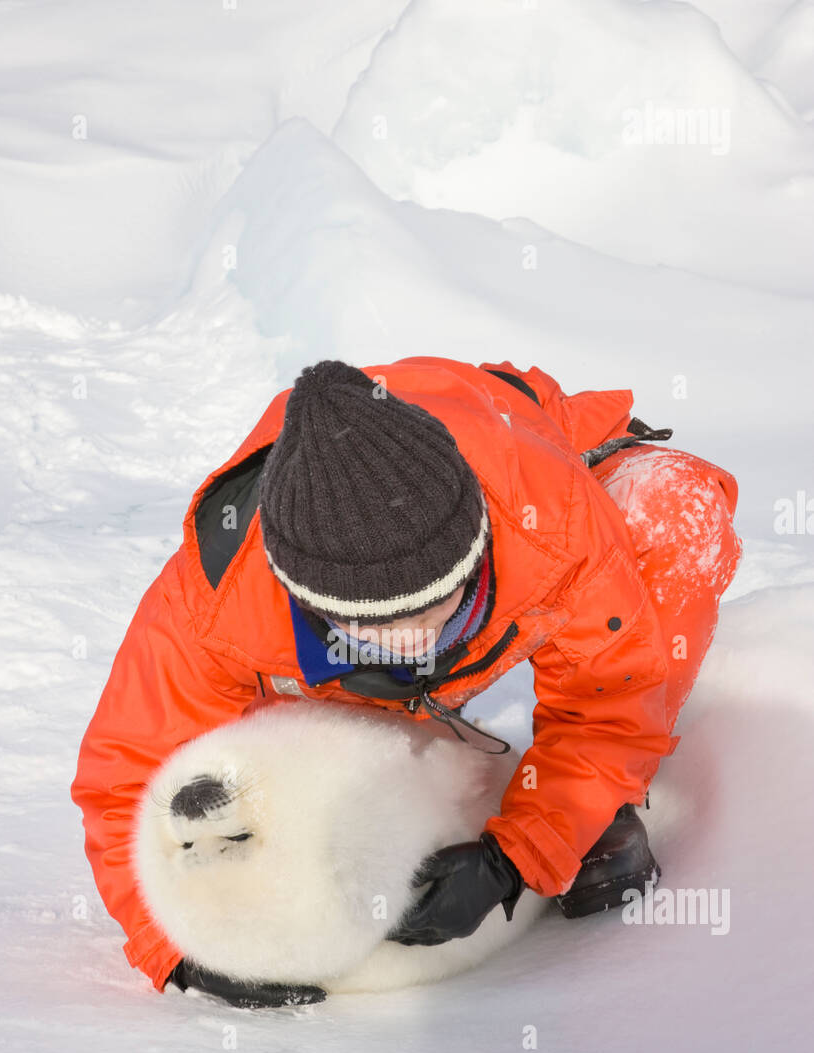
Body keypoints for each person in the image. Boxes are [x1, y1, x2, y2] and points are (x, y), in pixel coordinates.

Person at [70, 356, 742, 1006]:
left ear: (473, 556)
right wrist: (178, 944)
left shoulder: (552, 523)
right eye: (377, 624)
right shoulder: (216, 599)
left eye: (432, 606)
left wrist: (522, 855)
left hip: (520, 474)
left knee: (674, 504)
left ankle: (599, 807)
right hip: (333, 662)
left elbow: (610, 701)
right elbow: (128, 771)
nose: (413, 638)